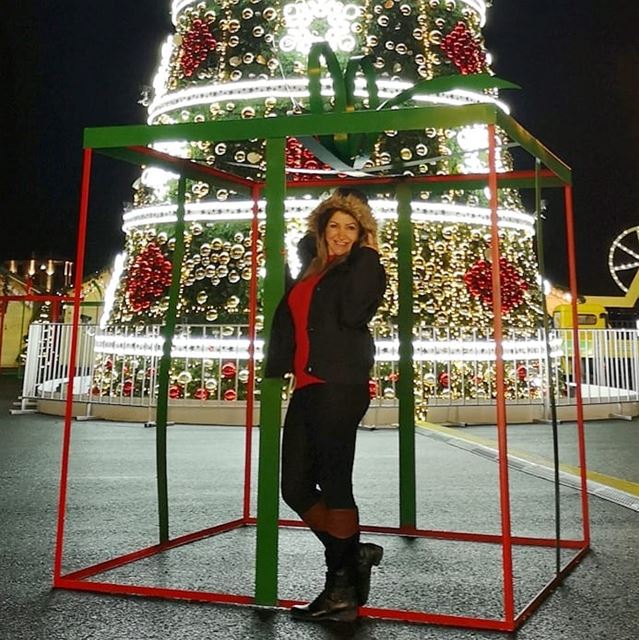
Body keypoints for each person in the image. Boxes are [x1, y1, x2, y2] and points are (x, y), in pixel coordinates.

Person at [264, 188, 387, 622]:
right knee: (294, 486)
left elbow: (354, 314)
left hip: (340, 385)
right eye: (333, 226)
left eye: (350, 228)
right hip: (307, 386)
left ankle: (339, 591)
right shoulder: (311, 271)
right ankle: (354, 556)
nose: (340, 234)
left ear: (361, 235)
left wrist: (369, 255)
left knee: (336, 484)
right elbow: (289, 318)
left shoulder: (363, 268)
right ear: (321, 229)